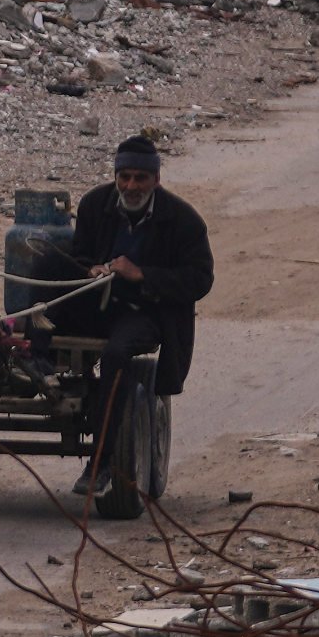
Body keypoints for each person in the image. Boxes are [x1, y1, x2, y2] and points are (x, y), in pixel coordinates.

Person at [70, 134, 213, 520]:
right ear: (116, 176)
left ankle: (100, 463)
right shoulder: (94, 204)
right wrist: (90, 269)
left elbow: (200, 279)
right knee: (38, 305)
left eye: (139, 179)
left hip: (146, 313)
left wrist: (141, 275)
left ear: (155, 180)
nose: (131, 186)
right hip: (97, 303)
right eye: (125, 177)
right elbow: (77, 254)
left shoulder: (183, 221)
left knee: (116, 355)